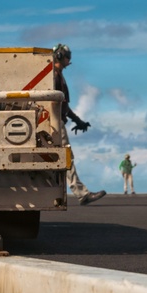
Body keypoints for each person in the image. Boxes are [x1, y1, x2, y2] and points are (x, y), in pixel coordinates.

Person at [53, 44, 106, 205]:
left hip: (53, 122)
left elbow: (64, 105)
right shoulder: (55, 77)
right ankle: (81, 193)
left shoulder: (57, 75)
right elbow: (59, 104)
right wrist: (77, 120)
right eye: (68, 56)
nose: (70, 60)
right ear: (61, 56)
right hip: (55, 123)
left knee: (57, 160)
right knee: (66, 157)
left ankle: (56, 197)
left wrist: (78, 121)